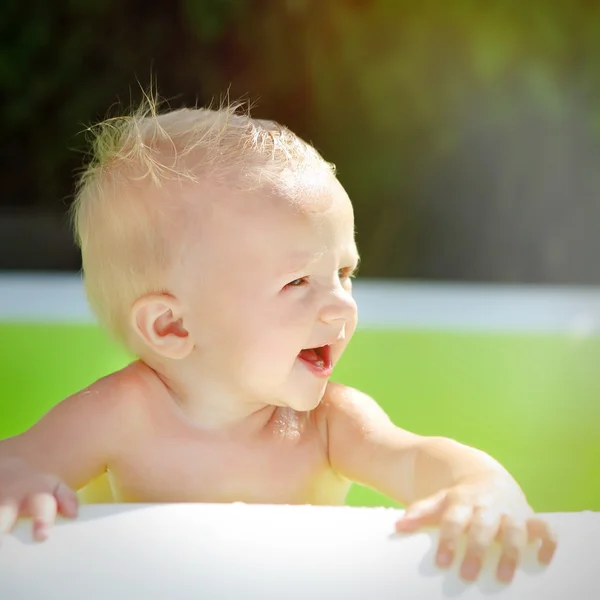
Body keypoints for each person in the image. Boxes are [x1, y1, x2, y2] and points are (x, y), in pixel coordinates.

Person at [0, 96, 556, 583]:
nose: (342, 305)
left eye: (345, 273)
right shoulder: (124, 414)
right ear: (174, 327)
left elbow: (415, 459)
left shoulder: (329, 424)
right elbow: (17, 461)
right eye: (297, 282)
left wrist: (482, 485)